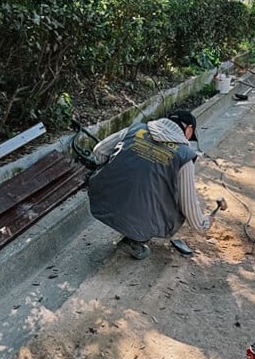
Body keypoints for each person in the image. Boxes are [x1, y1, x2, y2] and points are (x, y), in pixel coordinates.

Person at [87, 110, 215, 260]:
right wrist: (204, 223)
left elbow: (99, 151)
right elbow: (188, 202)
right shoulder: (184, 155)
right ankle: (135, 240)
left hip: (104, 203)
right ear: (189, 130)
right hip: (139, 212)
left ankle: (130, 228)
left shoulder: (135, 129)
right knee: (172, 196)